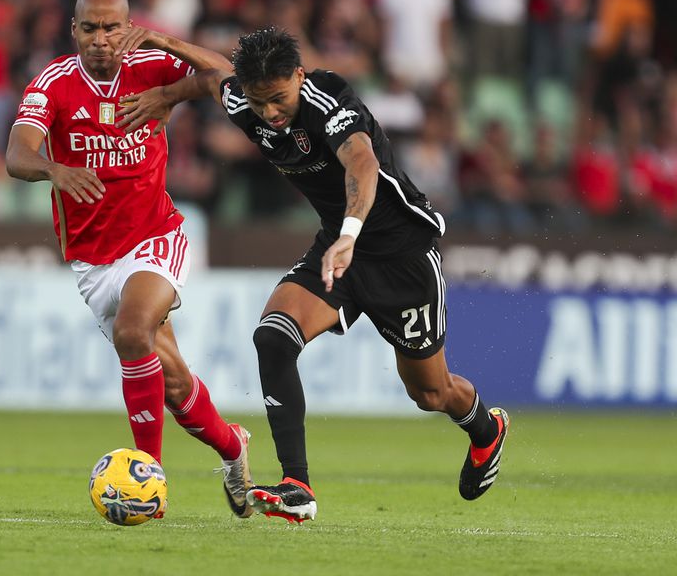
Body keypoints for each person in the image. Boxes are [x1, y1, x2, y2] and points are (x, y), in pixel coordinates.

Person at [118, 27, 510, 522]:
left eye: (279, 99)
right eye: (259, 102)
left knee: (430, 393)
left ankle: (486, 430)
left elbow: (362, 164)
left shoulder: (328, 99)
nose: (271, 114)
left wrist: (349, 233)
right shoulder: (248, 100)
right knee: (274, 337)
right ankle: (296, 485)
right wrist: (167, 84)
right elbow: (213, 75)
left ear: (299, 77)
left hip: (401, 254)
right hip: (336, 249)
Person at [5, 0, 253, 518]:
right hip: (95, 263)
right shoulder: (54, 83)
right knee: (175, 383)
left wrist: (168, 72)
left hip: (156, 235)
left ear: (128, 26)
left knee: (132, 331)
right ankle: (234, 448)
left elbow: (228, 78)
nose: (101, 39)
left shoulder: (151, 66)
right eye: (89, 28)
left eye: (112, 27)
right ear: (74, 30)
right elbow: (16, 154)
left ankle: (148, 479)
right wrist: (55, 167)